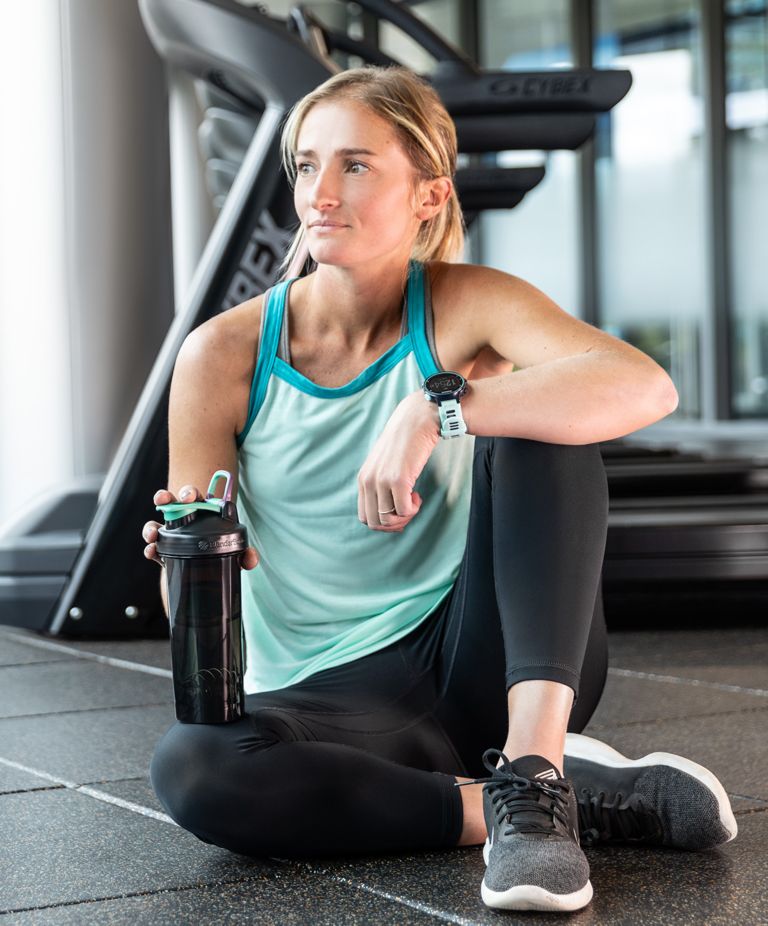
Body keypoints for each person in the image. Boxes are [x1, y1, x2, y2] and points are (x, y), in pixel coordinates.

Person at [141, 65, 737, 914]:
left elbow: (643, 386)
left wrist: (442, 411)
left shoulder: (465, 305)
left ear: (427, 195)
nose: (321, 192)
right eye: (307, 165)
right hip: (323, 702)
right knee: (192, 768)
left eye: (355, 165)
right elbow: (187, 591)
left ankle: (532, 766)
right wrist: (192, 562)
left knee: (546, 424)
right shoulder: (224, 353)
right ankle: (555, 804)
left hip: (482, 666)